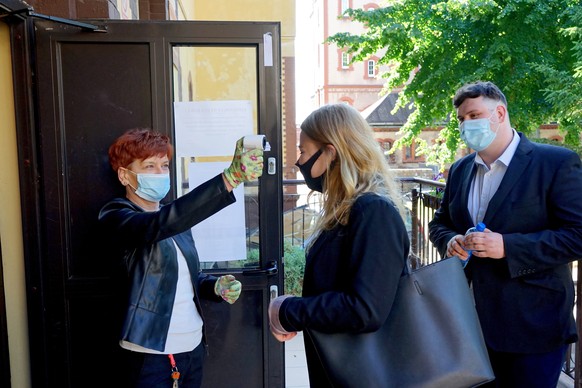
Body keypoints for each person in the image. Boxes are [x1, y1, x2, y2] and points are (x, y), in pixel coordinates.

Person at [428, 81, 582, 387]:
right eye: (461, 119)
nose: (466, 125)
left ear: (499, 112)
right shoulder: (459, 170)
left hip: (533, 326)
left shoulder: (554, 163)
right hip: (470, 327)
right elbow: (439, 224)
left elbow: (577, 236)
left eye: (473, 115)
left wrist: (507, 247)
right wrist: (450, 240)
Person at [98, 128, 263, 387]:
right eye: (149, 166)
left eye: (164, 165)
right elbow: (155, 227)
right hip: (149, 354)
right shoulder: (116, 216)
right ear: (124, 175)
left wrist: (214, 286)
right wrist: (228, 179)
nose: (160, 173)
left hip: (192, 346)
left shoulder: (176, 219)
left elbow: (185, 277)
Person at [267, 104, 410, 387]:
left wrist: (289, 312)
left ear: (330, 152)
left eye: (304, 151)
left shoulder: (372, 211)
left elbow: (365, 309)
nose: (299, 161)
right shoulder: (348, 210)